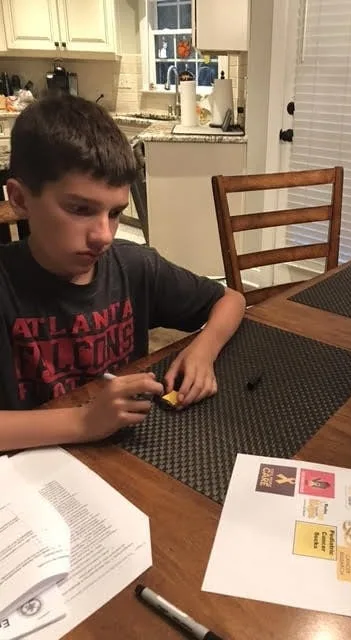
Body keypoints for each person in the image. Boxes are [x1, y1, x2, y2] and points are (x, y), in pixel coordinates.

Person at [0, 95, 245, 452]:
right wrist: (83, 422)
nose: (104, 235)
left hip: (123, 456)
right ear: (20, 200)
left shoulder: (134, 267)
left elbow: (231, 300)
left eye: (114, 213)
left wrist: (203, 350)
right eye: (80, 209)